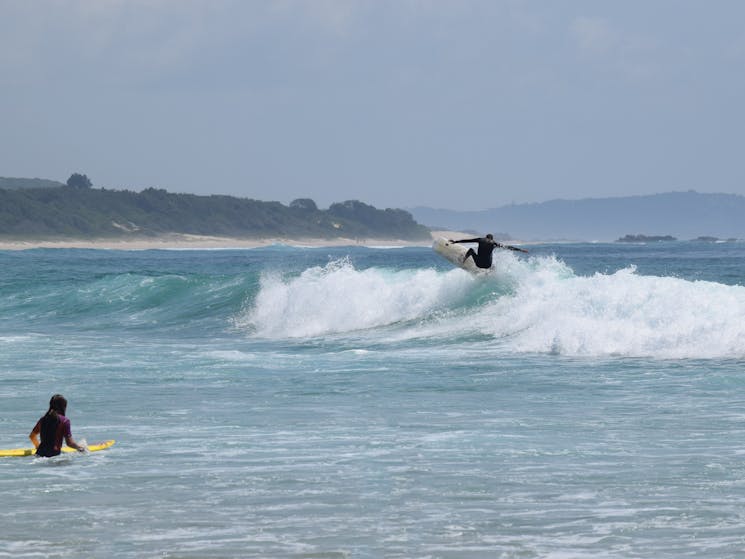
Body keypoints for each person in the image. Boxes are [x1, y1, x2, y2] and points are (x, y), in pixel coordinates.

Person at [449, 233, 525, 269]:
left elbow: (467, 240)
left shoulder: (480, 240)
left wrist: (456, 241)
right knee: (492, 250)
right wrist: (520, 250)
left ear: (486, 237)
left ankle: (463, 261)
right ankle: (491, 271)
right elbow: (508, 247)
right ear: (492, 238)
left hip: (479, 264)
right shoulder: (494, 243)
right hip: (488, 265)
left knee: (471, 250)